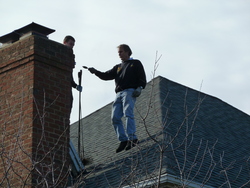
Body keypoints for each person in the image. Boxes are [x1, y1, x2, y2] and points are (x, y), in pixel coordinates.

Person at [87, 44, 146, 153]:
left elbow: (142, 76)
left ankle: (132, 138)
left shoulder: (135, 63)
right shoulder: (118, 67)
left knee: (128, 113)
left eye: (121, 52)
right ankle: (123, 140)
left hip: (129, 91)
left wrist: (140, 87)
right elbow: (106, 75)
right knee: (115, 117)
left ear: (127, 51)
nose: (119, 54)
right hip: (119, 93)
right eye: (118, 52)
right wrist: (95, 72)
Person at [63, 35, 82, 109]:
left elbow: (69, 76)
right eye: (70, 44)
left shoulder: (70, 56)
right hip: (62, 84)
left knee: (69, 101)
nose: (72, 46)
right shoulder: (60, 54)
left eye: (73, 45)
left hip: (67, 85)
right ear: (65, 42)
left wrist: (75, 86)